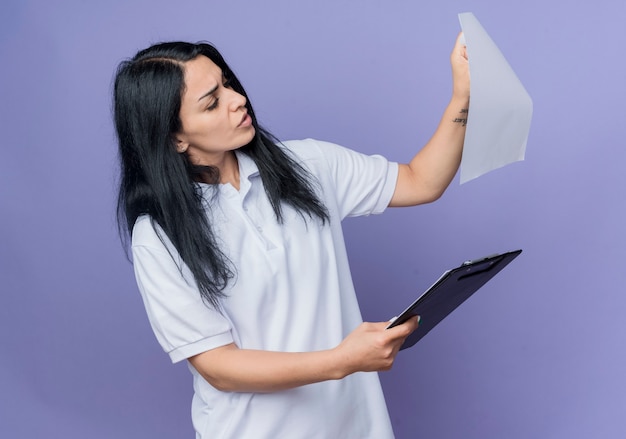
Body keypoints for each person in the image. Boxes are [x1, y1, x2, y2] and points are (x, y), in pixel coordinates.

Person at [113, 32, 469, 438]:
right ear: (175, 138)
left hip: (357, 427)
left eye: (227, 83)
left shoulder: (306, 164)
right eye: (212, 102)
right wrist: (341, 360)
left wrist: (462, 97)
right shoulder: (158, 236)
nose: (236, 99)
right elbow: (219, 367)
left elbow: (421, 181)